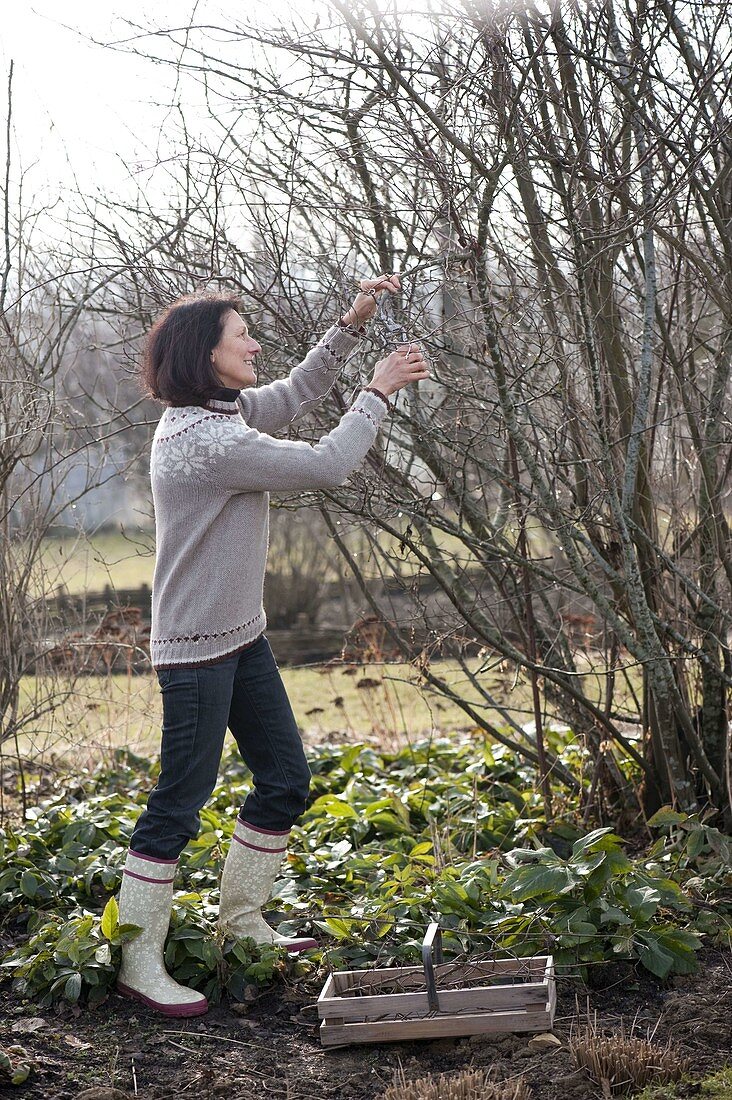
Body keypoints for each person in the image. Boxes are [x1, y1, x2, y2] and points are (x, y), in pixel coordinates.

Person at [117, 274, 429, 1016]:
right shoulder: (206, 442)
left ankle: (242, 924)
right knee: (178, 806)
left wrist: (350, 326)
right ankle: (137, 960)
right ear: (206, 355)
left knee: (285, 779)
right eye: (241, 335)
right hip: (195, 651)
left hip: (240, 638)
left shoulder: (219, 412)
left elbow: (290, 394)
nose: (255, 343)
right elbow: (324, 463)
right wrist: (377, 393)